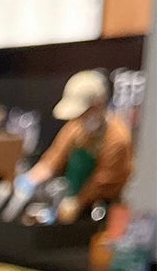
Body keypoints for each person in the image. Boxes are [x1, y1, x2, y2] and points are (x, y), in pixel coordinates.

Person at [16, 70, 133, 223]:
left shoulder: (117, 138)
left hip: (103, 213)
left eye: (83, 113)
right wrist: (29, 180)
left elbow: (102, 182)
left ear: (99, 105)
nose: (79, 119)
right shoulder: (75, 128)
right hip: (73, 206)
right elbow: (52, 160)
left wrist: (76, 203)